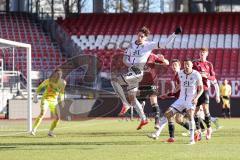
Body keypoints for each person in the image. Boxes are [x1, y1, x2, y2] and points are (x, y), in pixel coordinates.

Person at [111, 26, 182, 130]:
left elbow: (165, 44)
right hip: (134, 72)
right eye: (139, 35)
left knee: (115, 81)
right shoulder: (131, 46)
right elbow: (125, 59)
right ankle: (144, 119)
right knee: (132, 97)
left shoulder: (148, 46)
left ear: (146, 38)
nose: (140, 37)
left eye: (142, 36)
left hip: (139, 72)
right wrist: (130, 64)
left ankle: (125, 104)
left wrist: (174, 34)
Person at [164, 59, 203, 144]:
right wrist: (169, 94)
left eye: (188, 64)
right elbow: (179, 86)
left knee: (190, 116)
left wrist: (196, 98)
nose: (186, 66)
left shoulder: (196, 74)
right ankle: (196, 132)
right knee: (168, 113)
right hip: (181, 99)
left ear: (192, 65)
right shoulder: (180, 73)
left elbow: (201, 89)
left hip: (190, 99)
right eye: (185, 64)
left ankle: (192, 140)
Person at [193, 48, 220, 140]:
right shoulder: (195, 63)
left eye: (204, 52)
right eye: (200, 52)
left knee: (205, 109)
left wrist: (207, 76)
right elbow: (190, 74)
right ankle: (198, 131)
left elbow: (213, 77)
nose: (202, 54)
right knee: (195, 112)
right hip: (195, 90)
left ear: (207, 54)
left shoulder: (209, 64)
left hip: (204, 89)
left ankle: (209, 129)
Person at [137, 53, 169, 129]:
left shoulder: (152, 56)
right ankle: (144, 119)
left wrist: (163, 59)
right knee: (138, 103)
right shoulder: (138, 56)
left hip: (152, 83)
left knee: (154, 102)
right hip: (142, 84)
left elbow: (167, 63)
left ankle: (157, 122)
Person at [31, 68, 66, 137]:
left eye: (60, 74)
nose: (58, 75)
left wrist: (62, 100)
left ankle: (50, 132)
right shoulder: (49, 80)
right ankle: (34, 130)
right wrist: (35, 95)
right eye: (57, 74)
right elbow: (40, 87)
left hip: (54, 101)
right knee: (42, 113)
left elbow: (62, 92)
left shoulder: (63, 83)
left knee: (57, 117)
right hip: (46, 99)